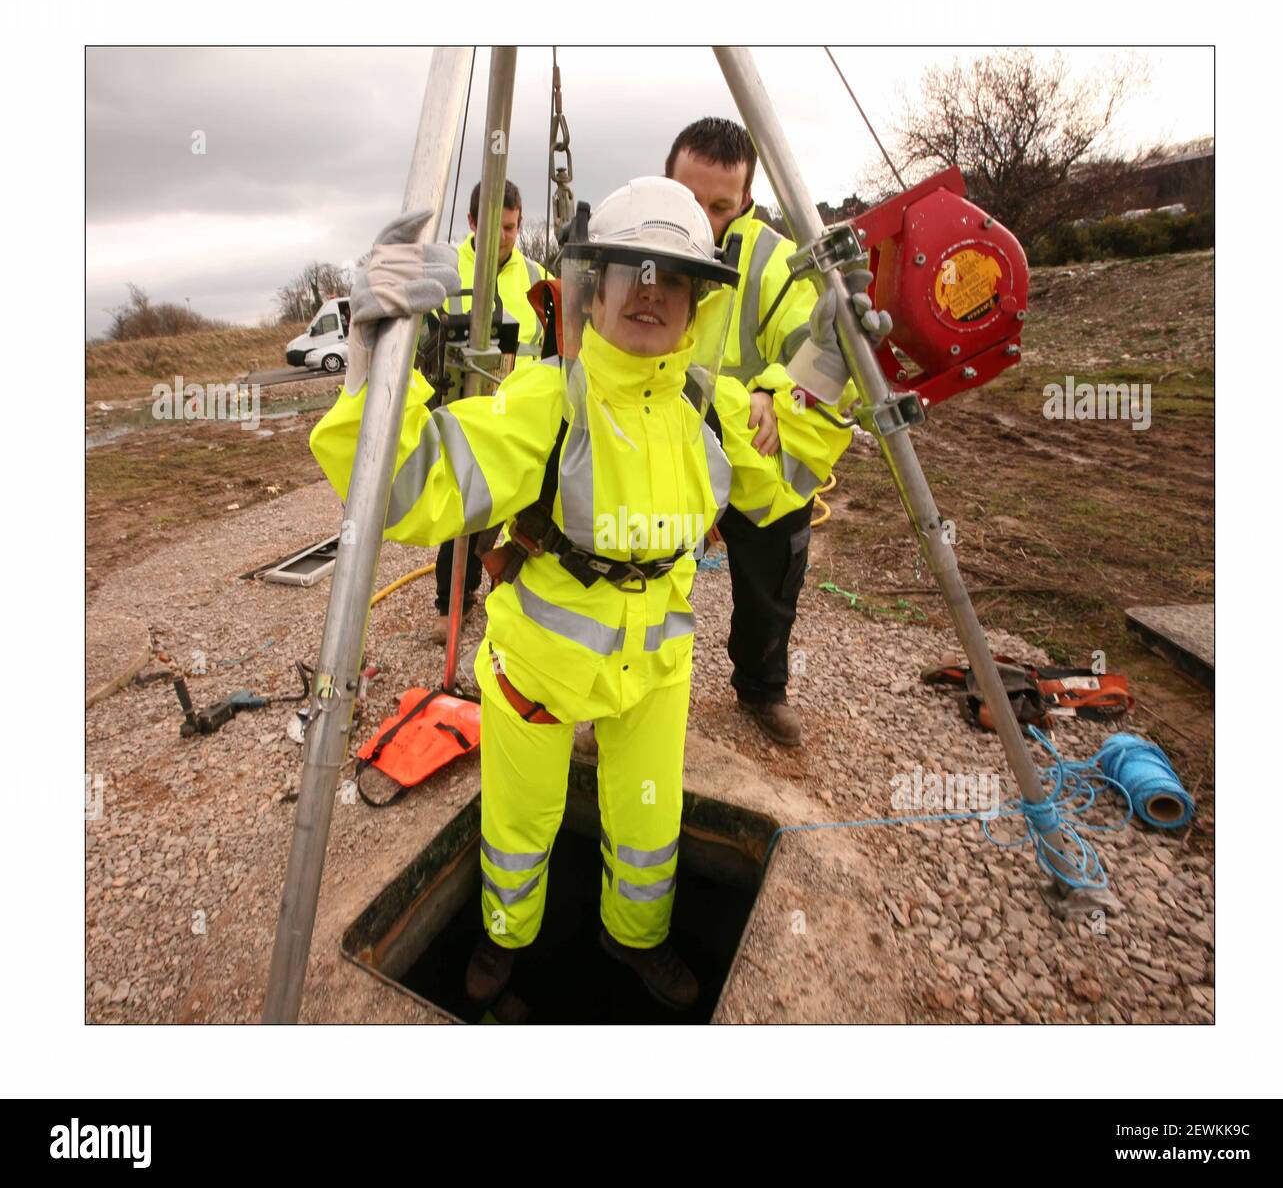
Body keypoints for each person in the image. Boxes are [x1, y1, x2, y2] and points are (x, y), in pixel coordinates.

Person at [311, 177, 855, 1012]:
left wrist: (829, 359)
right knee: (520, 831)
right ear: (591, 289)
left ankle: (632, 943)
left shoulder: (709, 412)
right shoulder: (544, 404)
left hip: (657, 675)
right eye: (629, 270)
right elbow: (403, 487)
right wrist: (375, 361)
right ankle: (502, 946)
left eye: (671, 276)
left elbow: (787, 475)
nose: (649, 290)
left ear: (699, 302)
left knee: (647, 833)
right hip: (536, 676)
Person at [665, 118, 890, 746]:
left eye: (721, 205)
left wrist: (767, 385)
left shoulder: (772, 258)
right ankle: (630, 702)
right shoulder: (644, 247)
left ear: (745, 203)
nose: (706, 219)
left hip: (754, 456)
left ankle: (762, 688)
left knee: (771, 588)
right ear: (666, 185)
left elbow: (810, 344)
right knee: (646, 579)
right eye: (691, 200)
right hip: (671, 454)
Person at [426, 179, 552, 645]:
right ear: (473, 222)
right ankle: (451, 604)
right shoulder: (445, 272)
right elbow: (425, 345)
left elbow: (548, 348)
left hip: (517, 414)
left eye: (513, 227)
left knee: (520, 508)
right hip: (461, 412)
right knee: (461, 513)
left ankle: (517, 596)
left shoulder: (535, 274)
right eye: (497, 226)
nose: (506, 237)